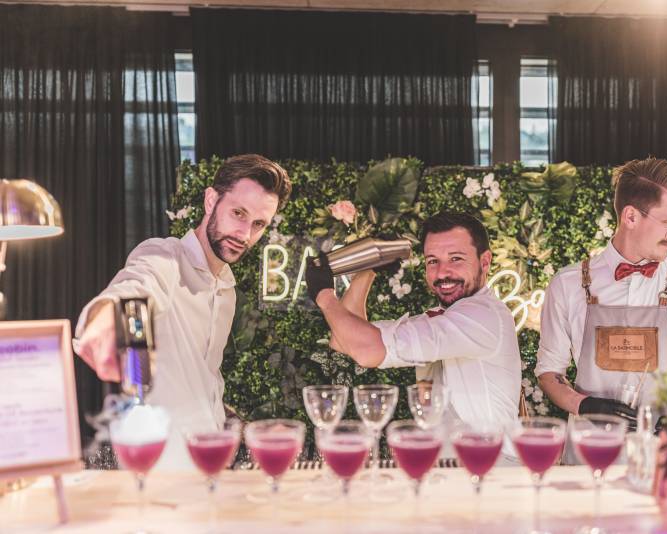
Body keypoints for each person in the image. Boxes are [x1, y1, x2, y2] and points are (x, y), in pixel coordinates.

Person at [73, 154, 291, 469]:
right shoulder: (165, 256)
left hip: (207, 471)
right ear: (211, 200)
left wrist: (246, 428)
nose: (245, 234)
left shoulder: (226, 290)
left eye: (258, 224)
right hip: (160, 473)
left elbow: (203, 384)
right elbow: (133, 288)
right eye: (238, 213)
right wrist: (106, 320)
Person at [534, 157, 667, 462]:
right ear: (631, 217)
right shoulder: (568, 284)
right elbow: (548, 371)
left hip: (664, 458)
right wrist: (585, 405)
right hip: (586, 457)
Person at [304, 211, 521, 460]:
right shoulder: (445, 317)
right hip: (448, 469)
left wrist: (324, 296)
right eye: (432, 261)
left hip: (491, 471)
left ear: (485, 262)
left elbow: (365, 351)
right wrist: (369, 271)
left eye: (456, 258)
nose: (442, 273)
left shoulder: (482, 316)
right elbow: (345, 340)